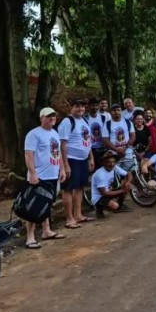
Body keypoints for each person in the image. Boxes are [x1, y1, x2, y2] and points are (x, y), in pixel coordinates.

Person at [23, 107, 67, 249]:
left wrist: (62, 169)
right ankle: (30, 237)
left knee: (47, 204)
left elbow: (58, 153)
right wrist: (33, 173)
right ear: (42, 118)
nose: (52, 118)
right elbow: (28, 155)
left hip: (53, 175)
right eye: (49, 116)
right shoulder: (34, 134)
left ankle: (47, 230)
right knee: (34, 206)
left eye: (54, 116)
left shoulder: (54, 133)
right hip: (39, 176)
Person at [58, 98, 95, 229]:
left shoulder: (84, 120)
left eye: (83, 107)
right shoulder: (67, 122)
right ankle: (69, 218)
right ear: (72, 107)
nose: (80, 109)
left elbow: (88, 140)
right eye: (77, 106)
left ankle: (78, 214)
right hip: (71, 159)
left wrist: (91, 157)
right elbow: (62, 143)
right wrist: (65, 165)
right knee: (68, 188)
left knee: (79, 187)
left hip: (83, 159)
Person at [90, 151, 133, 218]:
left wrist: (128, 182)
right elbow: (104, 193)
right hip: (99, 197)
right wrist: (122, 190)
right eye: (109, 162)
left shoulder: (115, 167)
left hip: (109, 190)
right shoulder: (99, 174)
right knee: (114, 205)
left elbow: (129, 174)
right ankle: (99, 209)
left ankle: (120, 207)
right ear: (104, 163)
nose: (112, 164)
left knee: (127, 185)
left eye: (113, 162)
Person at [85, 97, 108, 169]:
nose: (94, 107)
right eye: (92, 105)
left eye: (96, 105)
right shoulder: (85, 118)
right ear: (88, 106)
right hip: (91, 149)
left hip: (103, 148)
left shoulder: (103, 118)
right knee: (91, 169)